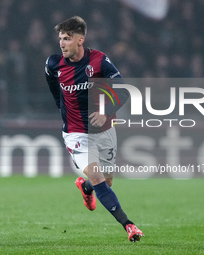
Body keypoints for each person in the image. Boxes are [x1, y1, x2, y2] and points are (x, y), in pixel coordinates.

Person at [45, 16, 144, 242]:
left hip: (104, 129)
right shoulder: (53, 64)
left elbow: (124, 90)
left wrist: (105, 111)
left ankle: (86, 187)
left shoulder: (99, 61)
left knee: (106, 181)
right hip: (75, 132)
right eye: (60, 38)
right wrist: (63, 108)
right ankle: (129, 225)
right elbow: (54, 90)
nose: (62, 43)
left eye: (67, 39)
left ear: (80, 40)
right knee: (98, 175)